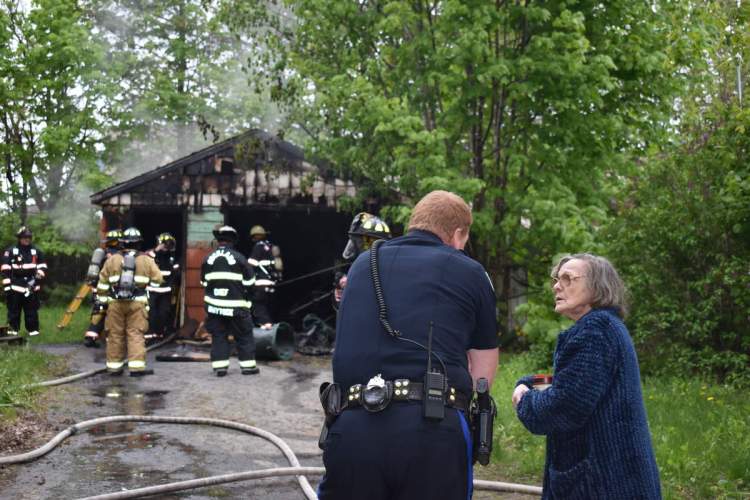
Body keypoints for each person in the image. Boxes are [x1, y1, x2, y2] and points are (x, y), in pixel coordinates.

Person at [317, 190, 499, 500]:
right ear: (457, 234)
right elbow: (483, 373)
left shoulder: (362, 266)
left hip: (352, 428)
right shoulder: (471, 272)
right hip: (432, 434)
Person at [512, 254, 661, 499]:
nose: (557, 286)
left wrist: (525, 399)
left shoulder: (595, 331)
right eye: (557, 279)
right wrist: (530, 382)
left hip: (602, 484)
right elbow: (573, 383)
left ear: (597, 287)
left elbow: (563, 407)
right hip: (615, 479)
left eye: (568, 278)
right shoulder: (604, 327)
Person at [97, 227, 162, 376]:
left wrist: (103, 298)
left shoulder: (112, 260)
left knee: (115, 335)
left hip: (115, 304)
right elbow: (158, 279)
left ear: (122, 243)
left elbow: (102, 283)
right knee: (136, 334)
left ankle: (114, 368)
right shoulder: (146, 260)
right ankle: (136, 368)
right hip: (137, 304)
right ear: (139, 244)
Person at [201, 225, 259, 377]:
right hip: (237, 307)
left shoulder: (208, 259)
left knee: (219, 336)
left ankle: (220, 368)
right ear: (233, 240)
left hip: (214, 308)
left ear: (218, 240)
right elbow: (250, 282)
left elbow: (204, 283)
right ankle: (248, 368)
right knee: (244, 335)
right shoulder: (240, 258)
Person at [1, 226, 48, 337]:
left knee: (31, 311)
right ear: (19, 238)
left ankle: (33, 332)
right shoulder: (10, 251)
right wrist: (8, 287)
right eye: (24, 237)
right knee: (13, 311)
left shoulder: (36, 251)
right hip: (15, 287)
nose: (27, 239)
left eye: (28, 237)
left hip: (31, 286)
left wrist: (36, 280)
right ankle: (13, 332)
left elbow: (42, 267)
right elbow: (5, 269)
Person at [84, 229, 122, 347]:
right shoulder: (121, 256)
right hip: (114, 290)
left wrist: (94, 288)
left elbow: (94, 273)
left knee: (98, 312)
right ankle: (112, 340)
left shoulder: (102, 254)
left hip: (99, 289)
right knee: (115, 314)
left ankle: (91, 337)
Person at [146, 232, 181, 342]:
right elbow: (146, 259)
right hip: (152, 290)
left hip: (166, 291)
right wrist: (157, 250)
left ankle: (160, 334)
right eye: (165, 244)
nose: (167, 246)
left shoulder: (172, 257)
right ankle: (151, 335)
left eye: (169, 244)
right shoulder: (152, 254)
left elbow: (176, 271)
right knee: (151, 313)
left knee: (164, 312)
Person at [247, 225, 282, 329]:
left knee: (258, 305)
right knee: (267, 306)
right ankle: (271, 328)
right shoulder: (271, 247)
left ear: (255, 236)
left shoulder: (258, 246)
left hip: (260, 283)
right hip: (271, 283)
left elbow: (251, 263)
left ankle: (266, 328)